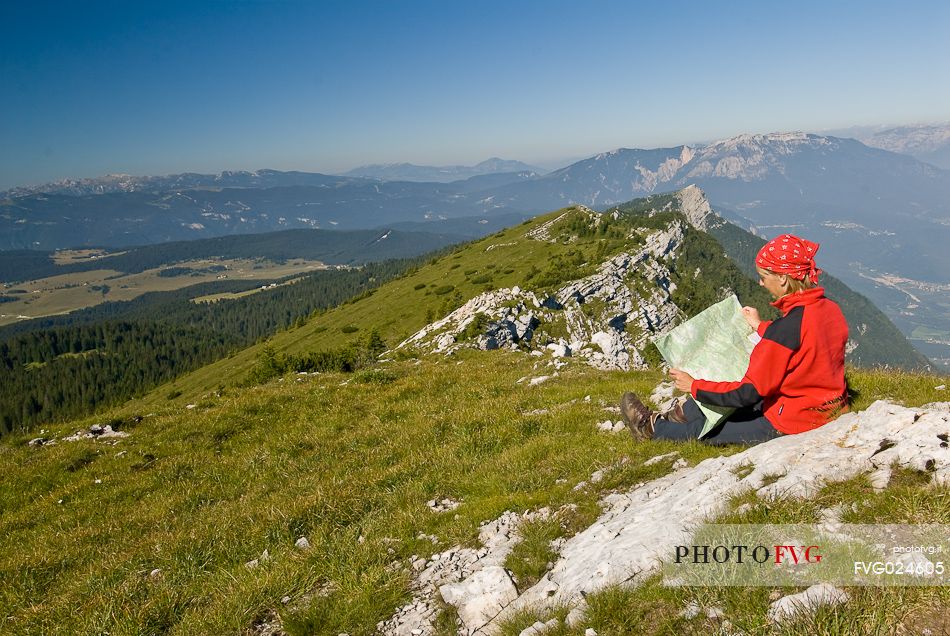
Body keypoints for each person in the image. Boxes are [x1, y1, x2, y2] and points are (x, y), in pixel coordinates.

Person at [621, 234, 849, 446]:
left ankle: (651, 428)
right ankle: (679, 414)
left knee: (709, 432)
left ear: (782, 279)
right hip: (829, 408)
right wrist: (761, 327)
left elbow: (747, 393)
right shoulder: (829, 308)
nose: (760, 283)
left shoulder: (784, 331)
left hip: (796, 419)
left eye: (764, 277)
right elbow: (805, 339)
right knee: (731, 403)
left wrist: (694, 385)